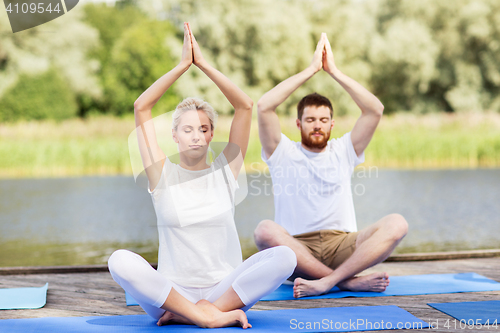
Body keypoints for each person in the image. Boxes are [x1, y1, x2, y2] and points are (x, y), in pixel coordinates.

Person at [108, 22, 296, 329]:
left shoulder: (225, 171)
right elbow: (141, 106)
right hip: (172, 295)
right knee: (118, 261)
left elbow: (244, 105)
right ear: (175, 135)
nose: (196, 136)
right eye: (188, 129)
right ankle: (205, 318)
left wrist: (203, 64)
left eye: (204, 129)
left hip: (226, 292)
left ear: (211, 136)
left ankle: (203, 313)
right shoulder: (160, 174)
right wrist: (183, 65)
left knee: (285, 256)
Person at [253, 33, 408, 298]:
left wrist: (334, 71)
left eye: (324, 120)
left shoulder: (344, 149)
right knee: (264, 230)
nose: (317, 125)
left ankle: (328, 281)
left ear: (332, 124)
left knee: (397, 224)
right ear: (299, 124)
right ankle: (346, 283)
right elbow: (265, 106)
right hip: (297, 251)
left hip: (343, 245)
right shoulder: (281, 152)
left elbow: (375, 109)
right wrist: (311, 70)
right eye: (310, 119)